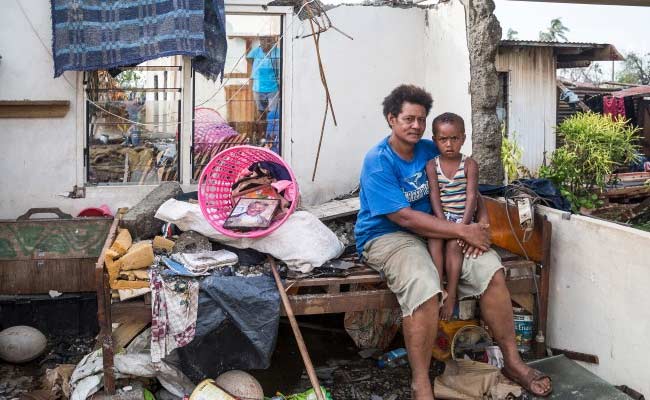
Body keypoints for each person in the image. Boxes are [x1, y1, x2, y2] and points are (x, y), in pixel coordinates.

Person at [354, 84, 552, 399]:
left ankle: (513, 361)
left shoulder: (430, 149)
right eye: (408, 119)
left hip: (442, 231)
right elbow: (403, 218)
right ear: (391, 119)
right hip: (389, 235)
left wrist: (481, 225)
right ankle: (421, 382)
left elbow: (469, 188)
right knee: (423, 284)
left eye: (421, 119)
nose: (416, 126)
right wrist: (462, 231)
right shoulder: (378, 160)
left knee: (491, 270)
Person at [425, 112, 486, 321]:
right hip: (441, 218)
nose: (449, 144)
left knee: (453, 245)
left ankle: (451, 293)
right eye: (443, 139)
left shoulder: (469, 165)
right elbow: (434, 195)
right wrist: (442, 224)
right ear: (435, 140)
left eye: (454, 138)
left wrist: (464, 226)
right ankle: (437, 287)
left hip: (463, 219)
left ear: (463, 138)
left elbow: (471, 197)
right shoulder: (432, 165)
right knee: (434, 239)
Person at [247, 36, 281, 116]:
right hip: (258, 88)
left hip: (273, 88)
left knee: (273, 112)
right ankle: (263, 127)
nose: (263, 42)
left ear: (271, 42)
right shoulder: (256, 51)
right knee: (260, 112)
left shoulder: (278, 52)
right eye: (261, 40)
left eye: (266, 40)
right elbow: (248, 58)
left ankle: (269, 127)